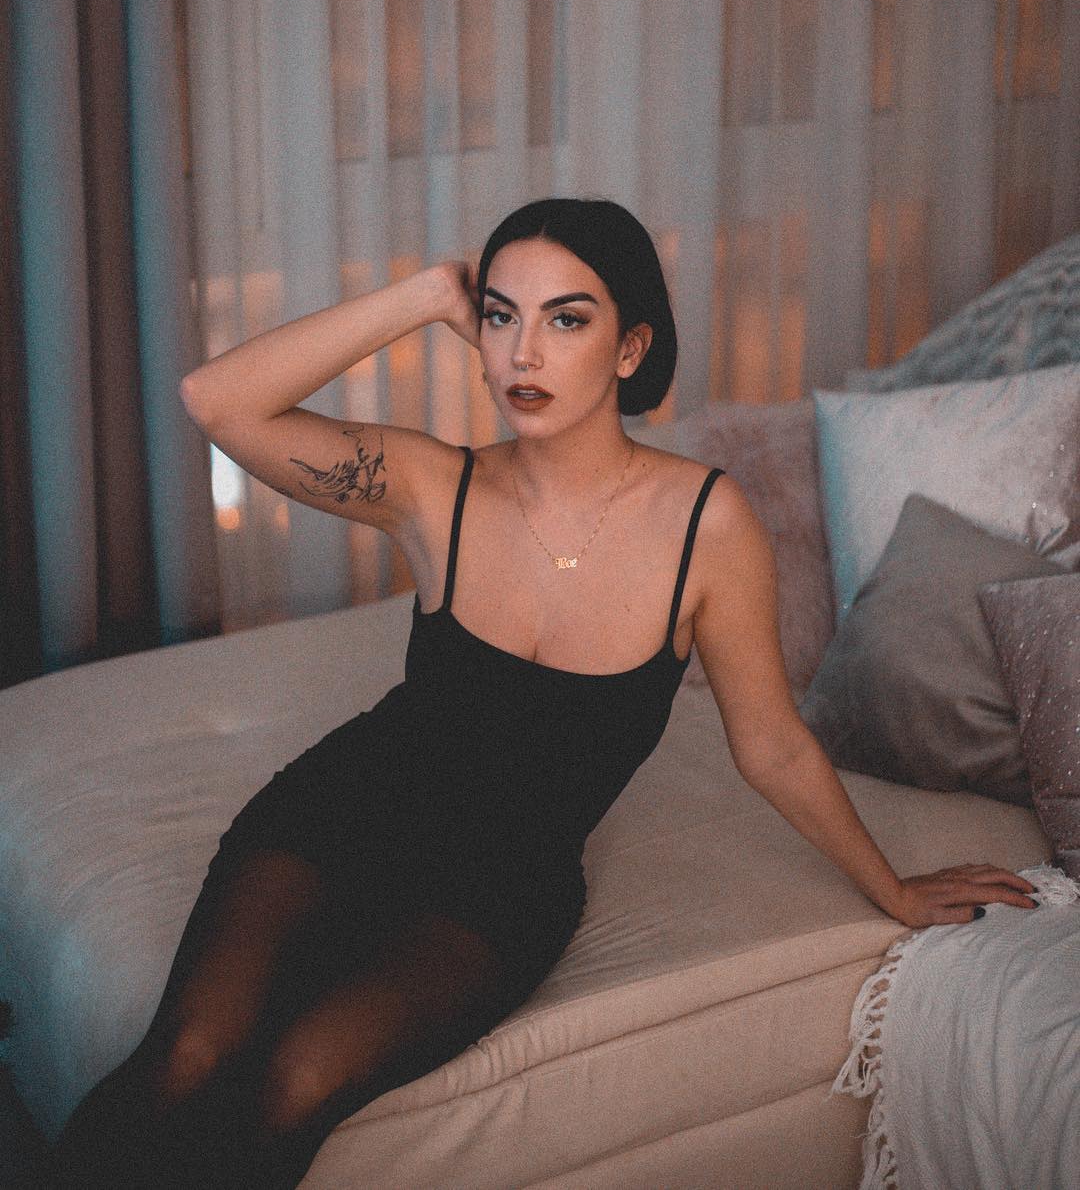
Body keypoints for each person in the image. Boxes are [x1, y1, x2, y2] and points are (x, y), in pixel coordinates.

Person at [49, 197, 1037, 1188]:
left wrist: (892, 887)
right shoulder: (431, 486)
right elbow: (217, 400)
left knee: (297, 1077)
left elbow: (771, 743)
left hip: (495, 888)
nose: (524, 352)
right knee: (188, 1056)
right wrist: (421, 294)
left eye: (566, 319)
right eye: (500, 316)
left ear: (628, 346)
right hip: (341, 812)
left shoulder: (707, 525)